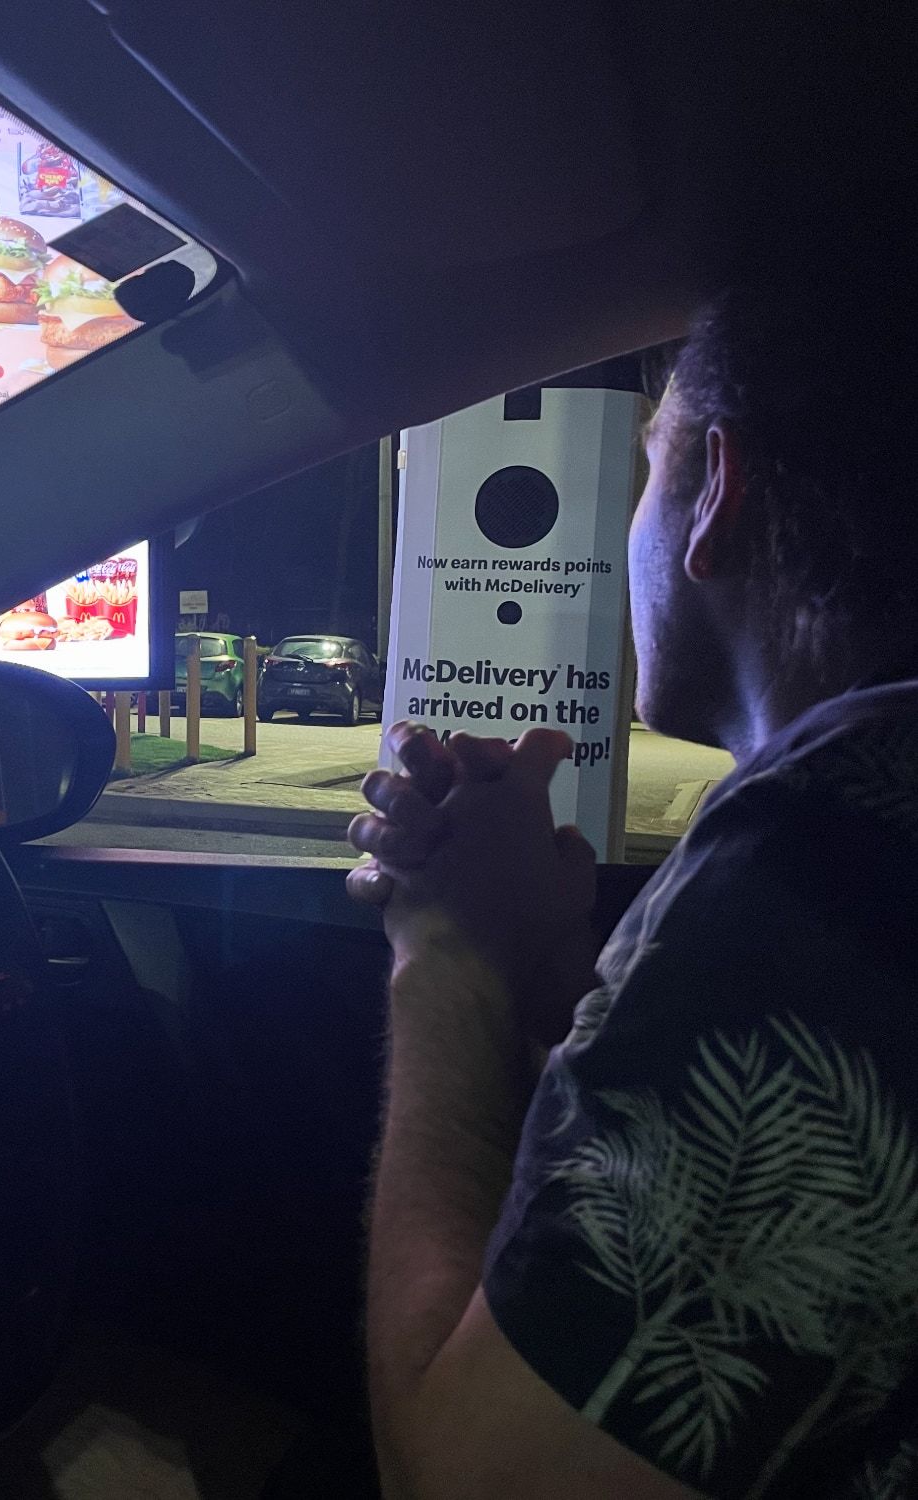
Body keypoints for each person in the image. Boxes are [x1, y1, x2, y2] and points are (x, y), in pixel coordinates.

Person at [347, 277, 918, 1500]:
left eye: (651, 473)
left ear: (718, 493)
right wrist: (558, 984)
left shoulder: (836, 862)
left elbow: (462, 1484)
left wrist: (446, 955)